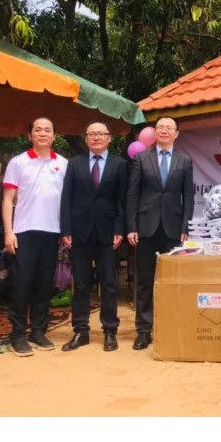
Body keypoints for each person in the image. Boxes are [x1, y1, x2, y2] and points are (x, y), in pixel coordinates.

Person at [1, 117, 68, 357]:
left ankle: (38, 331)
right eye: (37, 130)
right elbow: (8, 199)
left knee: (44, 284)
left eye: (47, 130)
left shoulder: (63, 164)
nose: (42, 133)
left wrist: (66, 231)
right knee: (22, 283)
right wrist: (9, 232)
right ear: (29, 135)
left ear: (54, 136)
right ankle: (17, 333)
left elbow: (66, 202)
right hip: (24, 231)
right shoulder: (18, 163)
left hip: (51, 232)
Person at [126, 117, 195, 351]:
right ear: (155, 133)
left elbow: (189, 197)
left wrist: (186, 227)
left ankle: (169, 326)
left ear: (177, 134)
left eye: (169, 128)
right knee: (145, 281)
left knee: (172, 281)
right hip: (146, 227)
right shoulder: (141, 158)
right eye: (160, 127)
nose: (164, 131)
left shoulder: (184, 161)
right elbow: (133, 195)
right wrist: (132, 226)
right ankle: (144, 330)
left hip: (173, 229)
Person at [59, 122, 127, 352]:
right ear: (86, 138)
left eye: (100, 134)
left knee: (109, 283)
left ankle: (109, 331)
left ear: (109, 138)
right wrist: (66, 230)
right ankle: (81, 331)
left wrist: (120, 229)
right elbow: (66, 199)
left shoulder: (119, 164)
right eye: (91, 134)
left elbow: (122, 201)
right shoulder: (74, 163)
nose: (96, 137)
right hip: (79, 232)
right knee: (80, 284)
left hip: (108, 233)